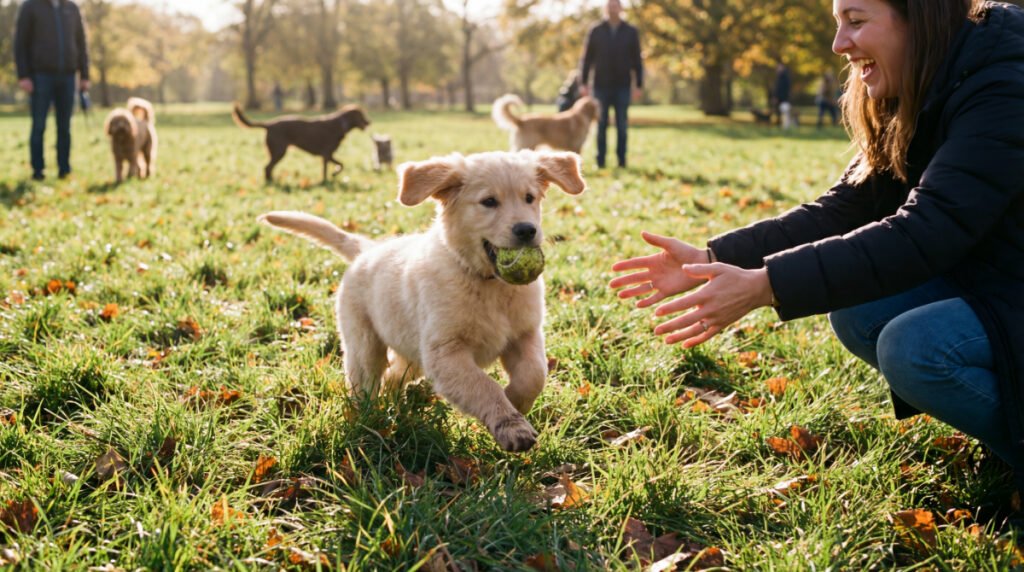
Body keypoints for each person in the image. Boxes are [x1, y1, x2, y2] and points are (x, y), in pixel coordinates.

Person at [610, 0, 1024, 502]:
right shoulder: (923, 76)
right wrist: (712, 255)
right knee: (859, 311)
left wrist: (768, 285)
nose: (838, 44)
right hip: (1000, 277)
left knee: (914, 348)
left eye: (856, 20)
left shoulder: (1002, 84)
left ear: (920, 16)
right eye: (836, 23)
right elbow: (846, 207)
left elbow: (927, 231)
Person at [14, 0, 90, 181]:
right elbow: (20, 43)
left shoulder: (72, 8)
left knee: (65, 126)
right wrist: (23, 75)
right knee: (39, 125)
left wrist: (85, 75)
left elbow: (81, 43)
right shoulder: (31, 6)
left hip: (68, 76)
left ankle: (64, 168)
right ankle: (38, 170)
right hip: (40, 76)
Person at [579, 0, 643, 169]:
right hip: (601, 86)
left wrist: (639, 85)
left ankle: (622, 161)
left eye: (616, 5)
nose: (613, 9)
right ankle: (601, 161)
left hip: (623, 86)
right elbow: (587, 59)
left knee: (622, 125)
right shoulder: (596, 31)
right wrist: (583, 82)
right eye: (610, 6)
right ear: (605, 9)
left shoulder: (631, 32)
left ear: (621, 8)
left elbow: (637, 60)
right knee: (601, 126)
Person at [772, 60, 793, 129]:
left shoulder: (784, 78)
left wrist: (777, 97)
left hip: (783, 98)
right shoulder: (779, 77)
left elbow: (781, 89)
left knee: (785, 112)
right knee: (780, 112)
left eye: (779, 67)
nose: (778, 69)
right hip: (781, 98)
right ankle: (781, 125)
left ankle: (786, 126)